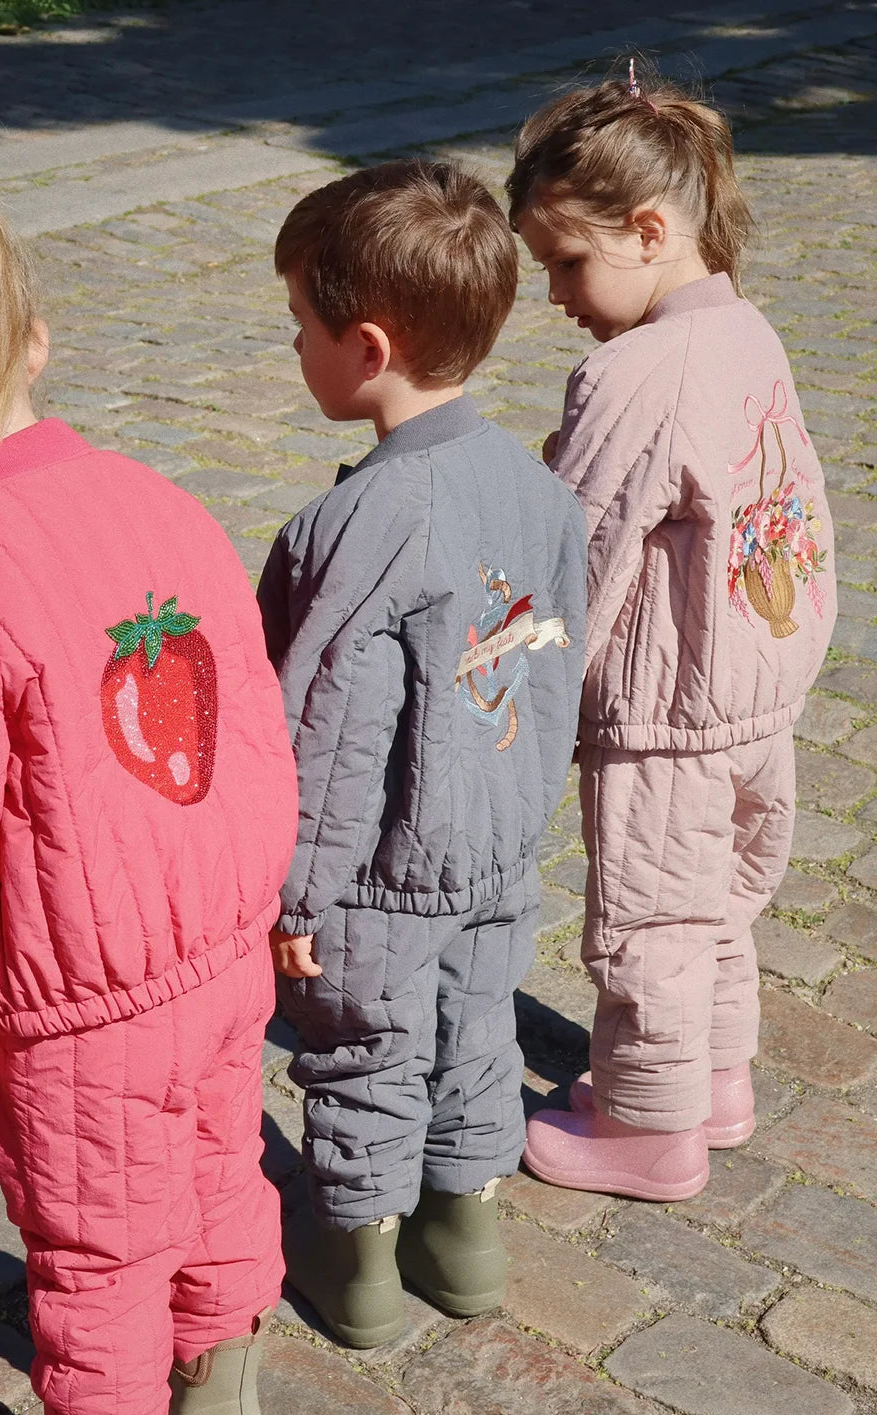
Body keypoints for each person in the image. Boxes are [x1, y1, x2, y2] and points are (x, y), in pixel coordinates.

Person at [0, 166, 298, 1415]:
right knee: (223, 1177)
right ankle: (224, 1398)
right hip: (223, 957)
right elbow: (251, 717)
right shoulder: (159, 499)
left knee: (98, 1268)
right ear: (34, 339)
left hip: (81, 1011)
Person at [257, 159, 587, 1347]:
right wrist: (524, 817)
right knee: (477, 1030)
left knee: (366, 1052)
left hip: (382, 866)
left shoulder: (351, 526)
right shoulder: (537, 491)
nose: (294, 345)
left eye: (301, 324)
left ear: (369, 348)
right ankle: (465, 1237)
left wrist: (295, 892)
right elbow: (556, 670)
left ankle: (356, 1260)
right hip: (496, 845)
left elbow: (329, 732)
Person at [505, 64, 837, 1202]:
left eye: (566, 263)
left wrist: (520, 687)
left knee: (648, 917)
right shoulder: (747, 330)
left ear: (648, 231)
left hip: (665, 707)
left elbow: (579, 548)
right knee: (719, 903)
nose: (556, 293)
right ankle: (716, 1080)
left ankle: (648, 1126)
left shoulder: (635, 370)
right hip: (754, 690)